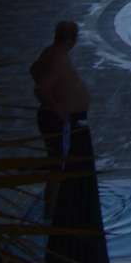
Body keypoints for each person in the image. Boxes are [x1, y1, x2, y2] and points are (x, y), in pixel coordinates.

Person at [29, 20, 91, 216]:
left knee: (61, 164)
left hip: (60, 117)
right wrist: (58, 108)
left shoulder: (52, 52)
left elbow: (33, 69)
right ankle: (51, 213)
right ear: (72, 39)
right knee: (58, 166)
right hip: (58, 119)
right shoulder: (58, 57)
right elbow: (41, 89)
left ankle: (60, 207)